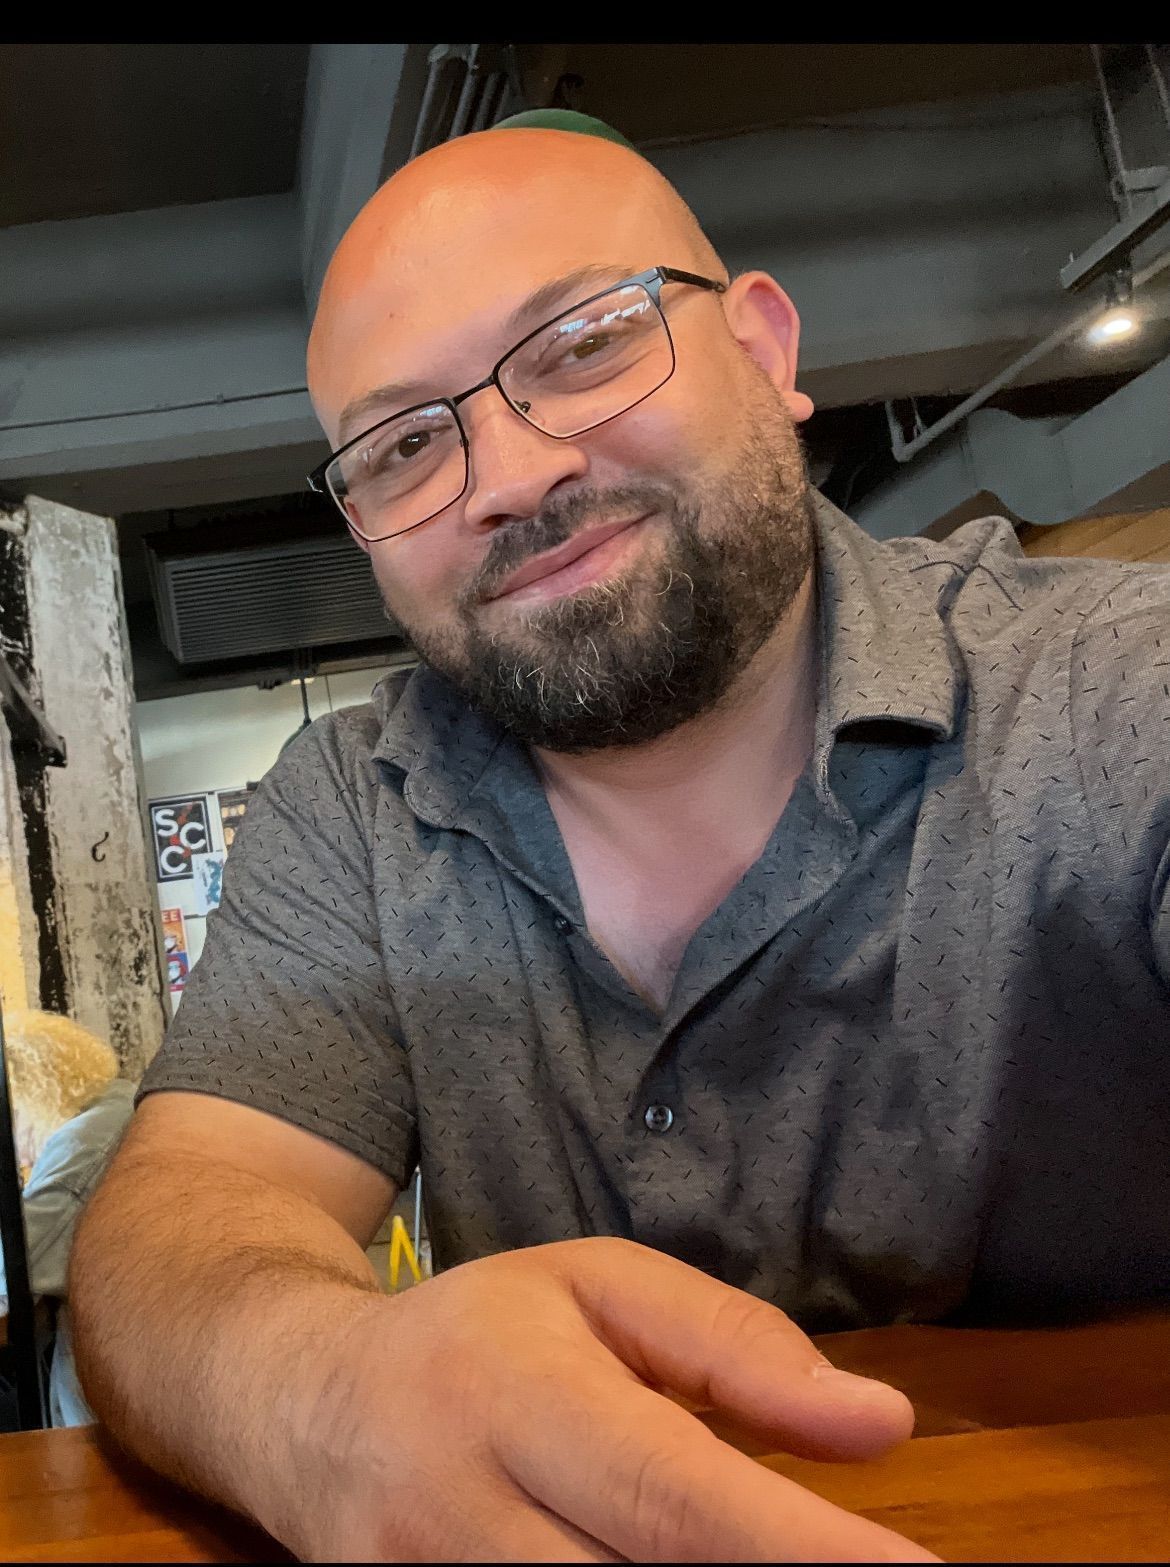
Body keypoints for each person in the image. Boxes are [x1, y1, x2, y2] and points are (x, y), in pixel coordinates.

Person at [70, 111, 1170, 1562]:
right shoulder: (349, 805)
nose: (512, 473)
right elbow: (179, 1222)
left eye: (582, 343)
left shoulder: (1104, 689)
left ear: (766, 353)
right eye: (406, 443)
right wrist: (328, 1390)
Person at [0, 1010, 136, 1426]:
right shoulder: (120, 1100)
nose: (19, 1157)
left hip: (116, 1401)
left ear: (29, 1093)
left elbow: (13, 1267)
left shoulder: (82, 1149)